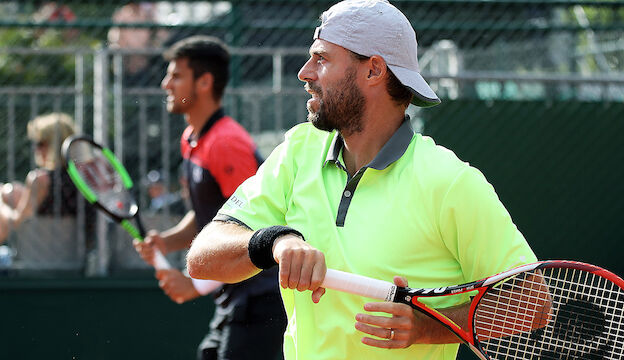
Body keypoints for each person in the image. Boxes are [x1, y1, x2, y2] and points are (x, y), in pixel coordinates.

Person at [186, 1, 538, 359]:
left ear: (373, 71)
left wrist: (427, 327)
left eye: (321, 58)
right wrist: (275, 241)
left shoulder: (449, 182)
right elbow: (202, 257)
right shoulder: (298, 150)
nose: (304, 72)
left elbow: (532, 301)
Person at [133, 35, 286, 360]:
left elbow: (248, 229)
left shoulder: (227, 144)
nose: (165, 84)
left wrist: (194, 283)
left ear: (204, 82)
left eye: (176, 76)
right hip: (233, 297)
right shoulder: (191, 138)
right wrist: (167, 242)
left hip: (261, 298)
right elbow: (213, 217)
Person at [0, 112, 85, 244]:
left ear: (54, 144)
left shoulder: (40, 180)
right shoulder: (84, 178)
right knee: (11, 191)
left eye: (40, 143)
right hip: (79, 254)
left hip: (41, 255)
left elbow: (16, 223)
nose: (36, 149)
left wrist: (1, 205)